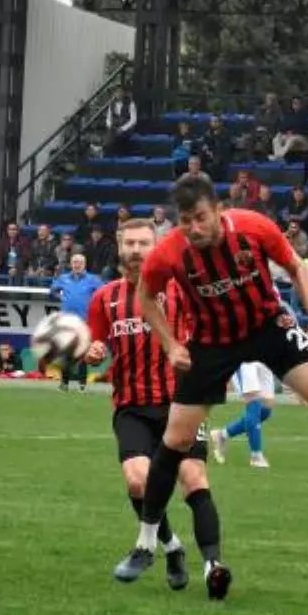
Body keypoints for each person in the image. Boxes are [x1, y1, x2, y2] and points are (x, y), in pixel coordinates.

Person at [124, 175, 308, 596]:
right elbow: (145, 295)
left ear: (219, 211)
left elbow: (296, 265)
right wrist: (170, 343)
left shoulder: (252, 226)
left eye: (201, 218)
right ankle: (146, 543)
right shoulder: (169, 251)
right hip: (210, 340)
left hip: (267, 324)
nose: (193, 228)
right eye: (186, 220)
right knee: (175, 439)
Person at [85, 218, 221, 591]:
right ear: (118, 246)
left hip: (183, 403)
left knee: (193, 478)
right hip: (132, 406)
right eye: (129, 243)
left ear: (156, 245)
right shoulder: (105, 298)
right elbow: (96, 349)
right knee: (138, 482)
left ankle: (214, 566)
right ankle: (171, 547)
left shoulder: (184, 288)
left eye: (143, 243)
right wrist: (93, 351)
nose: (135, 250)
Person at [48, 253, 104, 390]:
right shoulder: (63, 278)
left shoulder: (93, 279)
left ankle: (82, 385)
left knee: (83, 354)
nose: (77, 265)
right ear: (71, 264)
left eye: (80, 262)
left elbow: (104, 293)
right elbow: (52, 291)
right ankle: (64, 383)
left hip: (85, 322)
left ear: (84, 264)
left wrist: (95, 305)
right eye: (75, 262)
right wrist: (61, 297)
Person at [210, 361, 276, 468]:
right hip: (245, 358)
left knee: (266, 410)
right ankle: (256, 456)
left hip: (264, 357)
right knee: (254, 403)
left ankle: (221, 435)